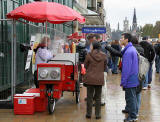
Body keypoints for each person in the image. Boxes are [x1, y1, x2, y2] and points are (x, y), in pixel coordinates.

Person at [105, 33, 139, 122]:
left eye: (122, 38)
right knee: (132, 97)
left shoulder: (128, 51)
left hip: (130, 79)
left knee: (130, 98)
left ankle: (133, 116)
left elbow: (126, 69)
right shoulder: (130, 49)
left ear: (127, 40)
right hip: (133, 78)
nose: (120, 39)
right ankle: (131, 111)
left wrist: (123, 82)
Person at [84, 41, 107, 119]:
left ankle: (88, 114)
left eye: (91, 45)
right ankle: (98, 114)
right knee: (98, 97)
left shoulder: (89, 55)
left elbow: (85, 66)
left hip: (90, 78)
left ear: (93, 46)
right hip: (99, 78)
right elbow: (105, 67)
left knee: (89, 97)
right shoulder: (104, 55)